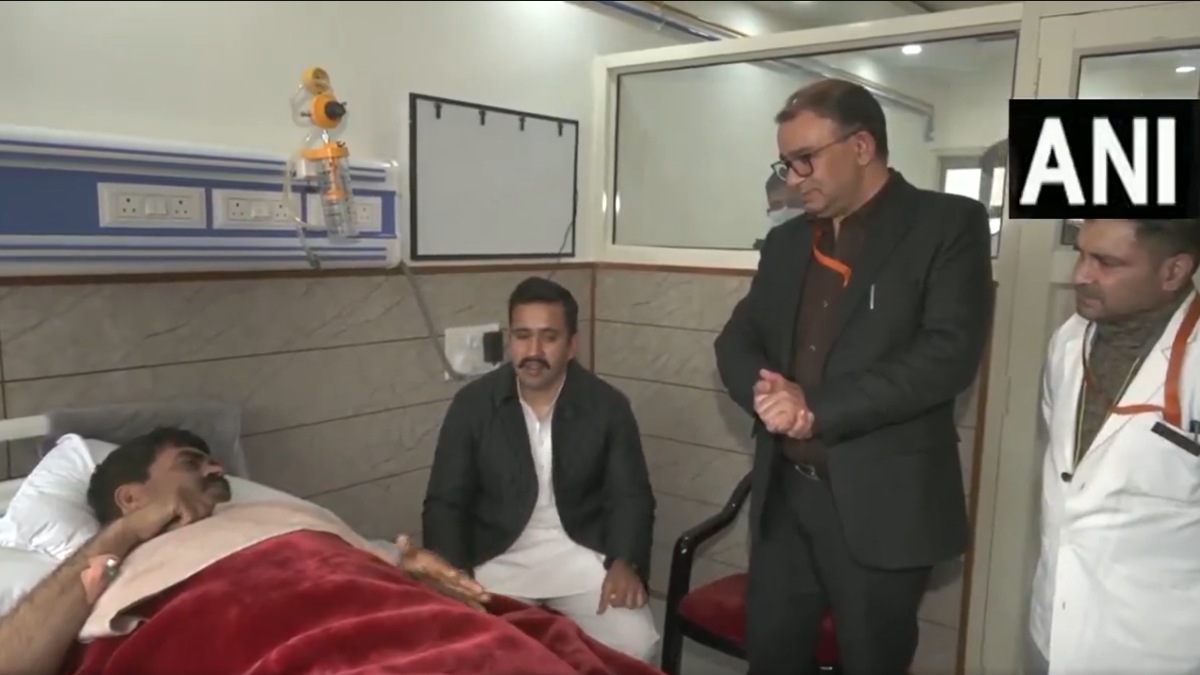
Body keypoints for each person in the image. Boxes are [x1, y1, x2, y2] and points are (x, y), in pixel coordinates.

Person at [713, 78, 993, 675]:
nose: (793, 179)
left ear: (861, 146)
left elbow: (946, 355)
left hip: (883, 502)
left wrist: (815, 406)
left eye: (805, 159)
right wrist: (767, 395)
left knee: (872, 660)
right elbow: (737, 339)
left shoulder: (946, 224)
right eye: (785, 163)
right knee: (772, 658)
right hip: (786, 496)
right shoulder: (788, 243)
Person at [0, 427, 659, 675]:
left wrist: (406, 568)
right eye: (191, 461)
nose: (216, 469)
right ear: (129, 495)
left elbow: (353, 567)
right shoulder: (113, 562)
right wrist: (128, 533)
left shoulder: (271, 510)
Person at [423, 276, 659, 663]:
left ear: (571, 345)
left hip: (582, 552)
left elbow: (630, 495)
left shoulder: (607, 406)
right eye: (522, 336)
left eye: (549, 337)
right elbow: (445, 502)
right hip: (497, 555)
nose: (533, 351)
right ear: (509, 340)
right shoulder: (473, 405)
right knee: (485, 655)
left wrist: (625, 561)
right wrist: (453, 573)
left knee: (637, 645)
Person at [1030, 219, 1200, 675]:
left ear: (1173, 271)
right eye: (1081, 254)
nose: (1080, 275)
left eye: (1106, 262)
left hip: (1162, 648)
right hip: (1056, 627)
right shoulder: (1069, 341)